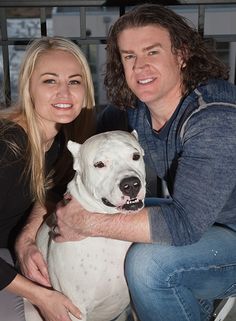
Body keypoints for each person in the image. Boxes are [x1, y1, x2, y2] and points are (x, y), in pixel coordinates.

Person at [17, 4, 236, 321]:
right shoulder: (133, 111)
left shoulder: (215, 116)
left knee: (148, 263)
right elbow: (79, 170)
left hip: (223, 233)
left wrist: (86, 223)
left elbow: (184, 224)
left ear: (181, 54)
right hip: (199, 218)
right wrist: (28, 236)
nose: (141, 66)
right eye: (129, 56)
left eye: (152, 52)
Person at [0, 36, 95, 321]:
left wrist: (25, 240)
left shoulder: (60, 144)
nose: (64, 93)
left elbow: (51, 193)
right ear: (29, 87)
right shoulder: (8, 146)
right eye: (50, 81)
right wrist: (40, 296)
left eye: (74, 82)